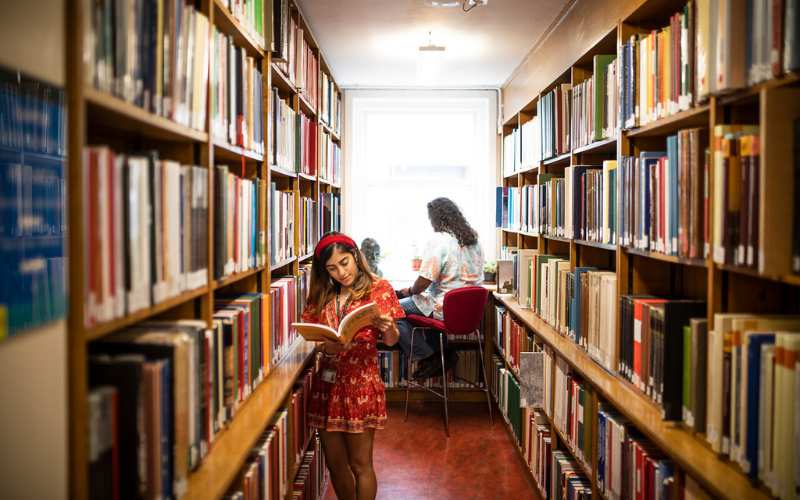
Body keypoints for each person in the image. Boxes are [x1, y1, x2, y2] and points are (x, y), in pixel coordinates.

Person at [299, 231, 404, 500]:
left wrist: (389, 328)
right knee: (334, 463)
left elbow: (391, 342)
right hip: (327, 385)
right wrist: (327, 347)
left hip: (361, 385)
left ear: (355, 255)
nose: (340, 272)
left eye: (344, 262)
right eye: (331, 268)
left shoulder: (379, 288)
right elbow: (315, 337)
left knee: (360, 463)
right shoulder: (322, 293)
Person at [395, 197, 484, 381]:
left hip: (444, 309)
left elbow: (423, 284)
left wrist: (407, 291)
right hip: (469, 314)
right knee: (429, 306)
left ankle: (428, 357)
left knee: (391, 310)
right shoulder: (474, 240)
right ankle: (444, 354)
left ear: (436, 219)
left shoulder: (439, 241)